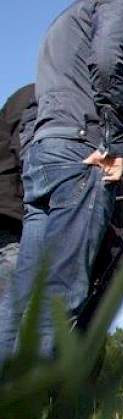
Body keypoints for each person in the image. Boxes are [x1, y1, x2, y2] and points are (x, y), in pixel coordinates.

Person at [0, 0, 123, 367]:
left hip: (46, 155)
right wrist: (116, 140)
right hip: (82, 153)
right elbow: (109, 61)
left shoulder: (65, 21)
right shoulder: (114, 6)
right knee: (62, 290)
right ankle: (29, 407)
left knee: (23, 294)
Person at [0, 84, 34, 298]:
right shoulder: (37, 97)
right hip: (12, 213)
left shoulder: (21, 97)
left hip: (7, 207)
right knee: (14, 297)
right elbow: (28, 154)